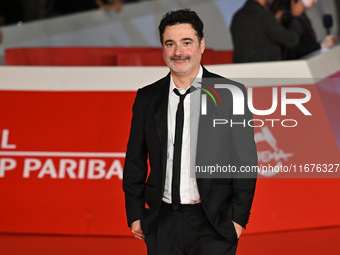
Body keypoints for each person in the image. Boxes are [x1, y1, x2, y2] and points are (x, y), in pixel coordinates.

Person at [123, 9, 258, 255]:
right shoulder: (147, 97)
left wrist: (237, 219)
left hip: (214, 223)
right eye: (170, 44)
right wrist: (134, 213)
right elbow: (134, 161)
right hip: (162, 221)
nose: (178, 52)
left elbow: (245, 161)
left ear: (201, 45)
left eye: (187, 43)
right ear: (163, 48)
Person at [230, 0, 301, 63]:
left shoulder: (237, 16)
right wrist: (294, 16)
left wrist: (273, 20)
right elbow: (291, 40)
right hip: (265, 71)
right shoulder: (262, 14)